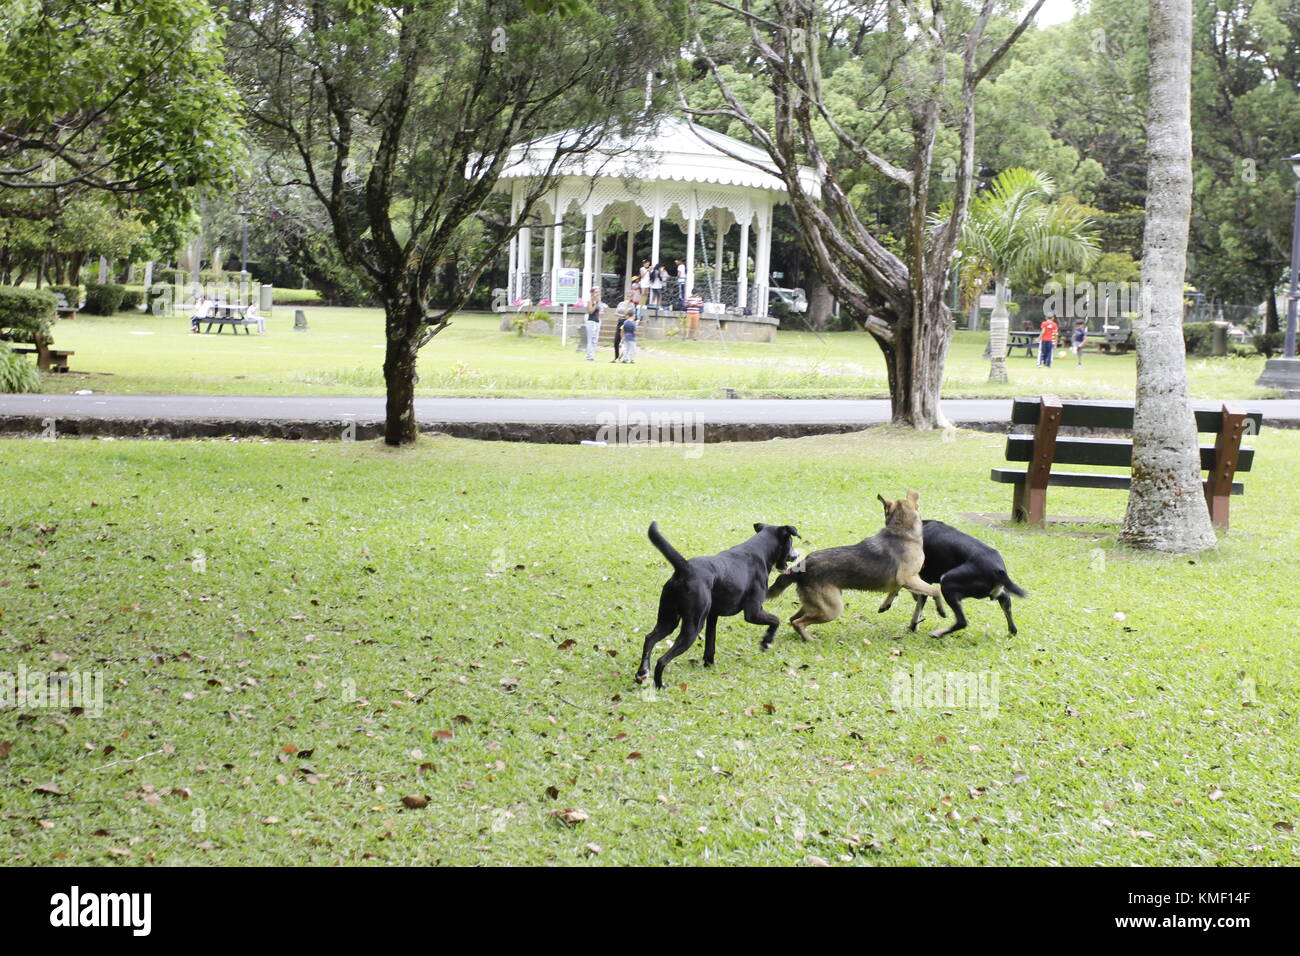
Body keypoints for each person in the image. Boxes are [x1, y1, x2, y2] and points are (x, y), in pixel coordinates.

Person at [612, 294, 633, 362]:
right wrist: (621, 315)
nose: (628, 297)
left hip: (626, 323)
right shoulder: (621, 304)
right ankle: (616, 357)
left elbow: (629, 315)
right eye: (628, 296)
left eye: (630, 296)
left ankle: (623, 358)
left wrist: (627, 306)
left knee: (626, 342)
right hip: (620, 322)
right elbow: (616, 313)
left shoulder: (632, 305)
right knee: (616, 341)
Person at [584, 288, 603, 362]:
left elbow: (600, 310)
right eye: (596, 292)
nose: (597, 293)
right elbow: (590, 311)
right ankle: (589, 357)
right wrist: (595, 304)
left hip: (597, 321)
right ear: (592, 293)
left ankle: (592, 356)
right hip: (591, 321)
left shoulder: (598, 301)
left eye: (598, 292)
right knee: (590, 339)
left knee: (595, 340)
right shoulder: (590, 301)